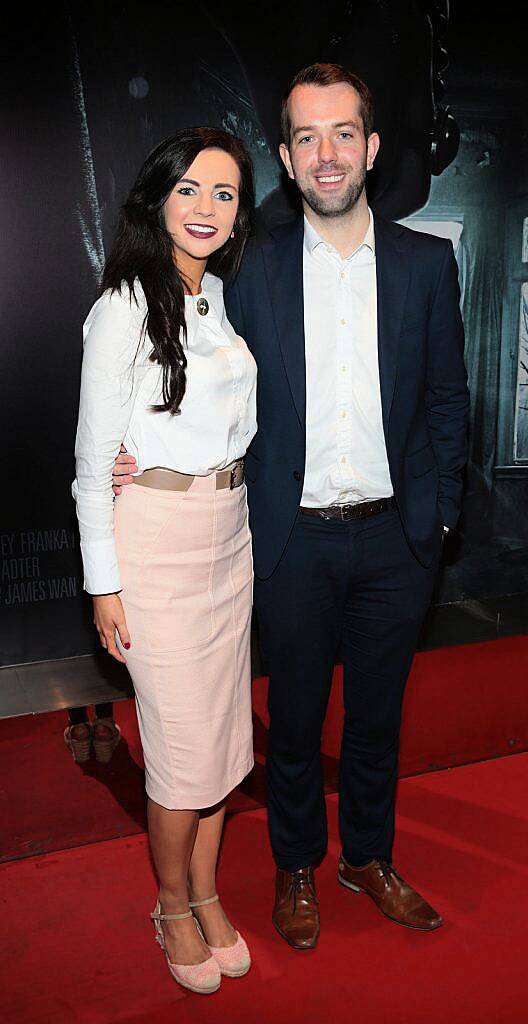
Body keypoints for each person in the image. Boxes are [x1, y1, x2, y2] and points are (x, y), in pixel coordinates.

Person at [115, 62, 469, 951]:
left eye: (343, 132)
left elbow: (448, 401)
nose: (326, 153)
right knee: (299, 725)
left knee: (379, 719)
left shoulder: (428, 265)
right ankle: (299, 869)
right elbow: (190, 362)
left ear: (373, 147)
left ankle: (370, 857)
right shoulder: (252, 267)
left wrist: (441, 518)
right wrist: (133, 444)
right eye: (306, 137)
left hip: (397, 538)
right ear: (284, 155)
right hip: (291, 544)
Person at [73, 127, 257, 992]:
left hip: (230, 535)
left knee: (223, 743)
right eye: (190, 189)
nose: (206, 208)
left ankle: (210, 893)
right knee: (183, 754)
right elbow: (89, 464)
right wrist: (103, 583)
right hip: (156, 545)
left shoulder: (216, 298)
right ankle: (171, 904)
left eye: (224, 193)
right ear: (158, 198)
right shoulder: (120, 307)